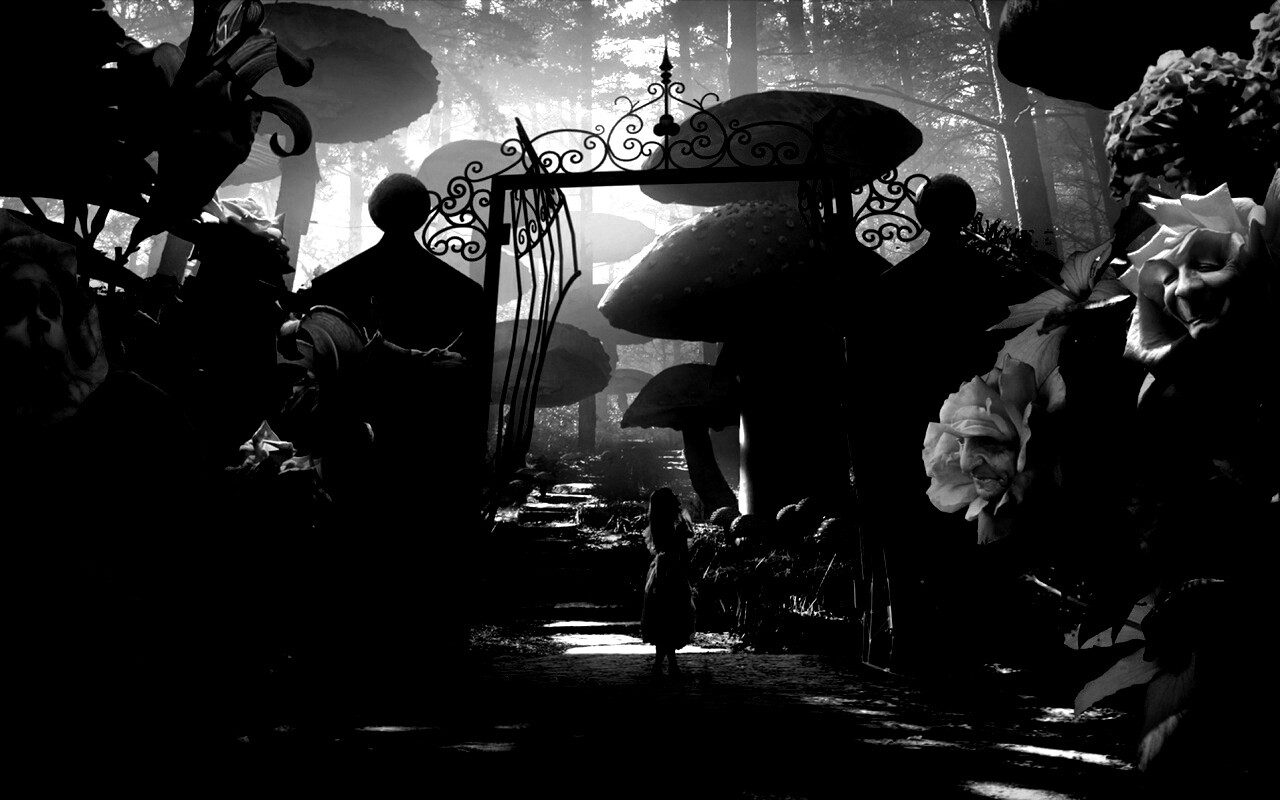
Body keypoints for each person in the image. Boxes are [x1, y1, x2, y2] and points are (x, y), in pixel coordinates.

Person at [640, 487, 696, 678]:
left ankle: (667, 664)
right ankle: (665, 665)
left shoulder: (661, 523)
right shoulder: (667, 526)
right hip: (669, 572)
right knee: (669, 617)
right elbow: (676, 548)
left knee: (666, 618)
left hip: (666, 570)